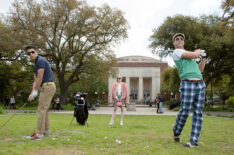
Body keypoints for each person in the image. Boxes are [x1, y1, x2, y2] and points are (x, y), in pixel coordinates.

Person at [171, 33, 206, 147]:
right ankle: (176, 129)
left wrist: (204, 58)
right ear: (174, 42)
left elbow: (200, 69)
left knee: (198, 113)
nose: (180, 40)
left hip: (200, 83)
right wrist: (199, 52)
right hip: (187, 83)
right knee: (185, 111)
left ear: (184, 42)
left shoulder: (190, 57)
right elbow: (195, 54)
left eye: (182, 39)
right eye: (177, 39)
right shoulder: (177, 52)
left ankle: (193, 141)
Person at [25, 45, 56, 140]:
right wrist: (32, 93)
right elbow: (36, 80)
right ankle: (46, 130)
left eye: (32, 52)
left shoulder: (41, 61)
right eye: (28, 53)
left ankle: (39, 134)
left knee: (41, 109)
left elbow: (40, 77)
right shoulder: (36, 64)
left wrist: (35, 91)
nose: (31, 54)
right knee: (44, 109)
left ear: (37, 52)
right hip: (45, 87)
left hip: (48, 86)